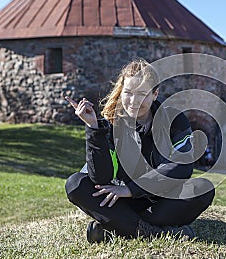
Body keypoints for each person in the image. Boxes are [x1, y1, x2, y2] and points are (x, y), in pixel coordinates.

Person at [64, 59, 215, 243]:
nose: (134, 101)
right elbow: (100, 179)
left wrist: (131, 189)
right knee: (75, 184)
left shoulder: (174, 120)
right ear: (121, 92)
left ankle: (119, 228)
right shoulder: (109, 124)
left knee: (203, 189)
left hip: (159, 202)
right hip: (119, 202)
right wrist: (93, 128)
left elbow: (181, 167)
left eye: (142, 94)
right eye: (128, 93)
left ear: (154, 94)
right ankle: (153, 232)